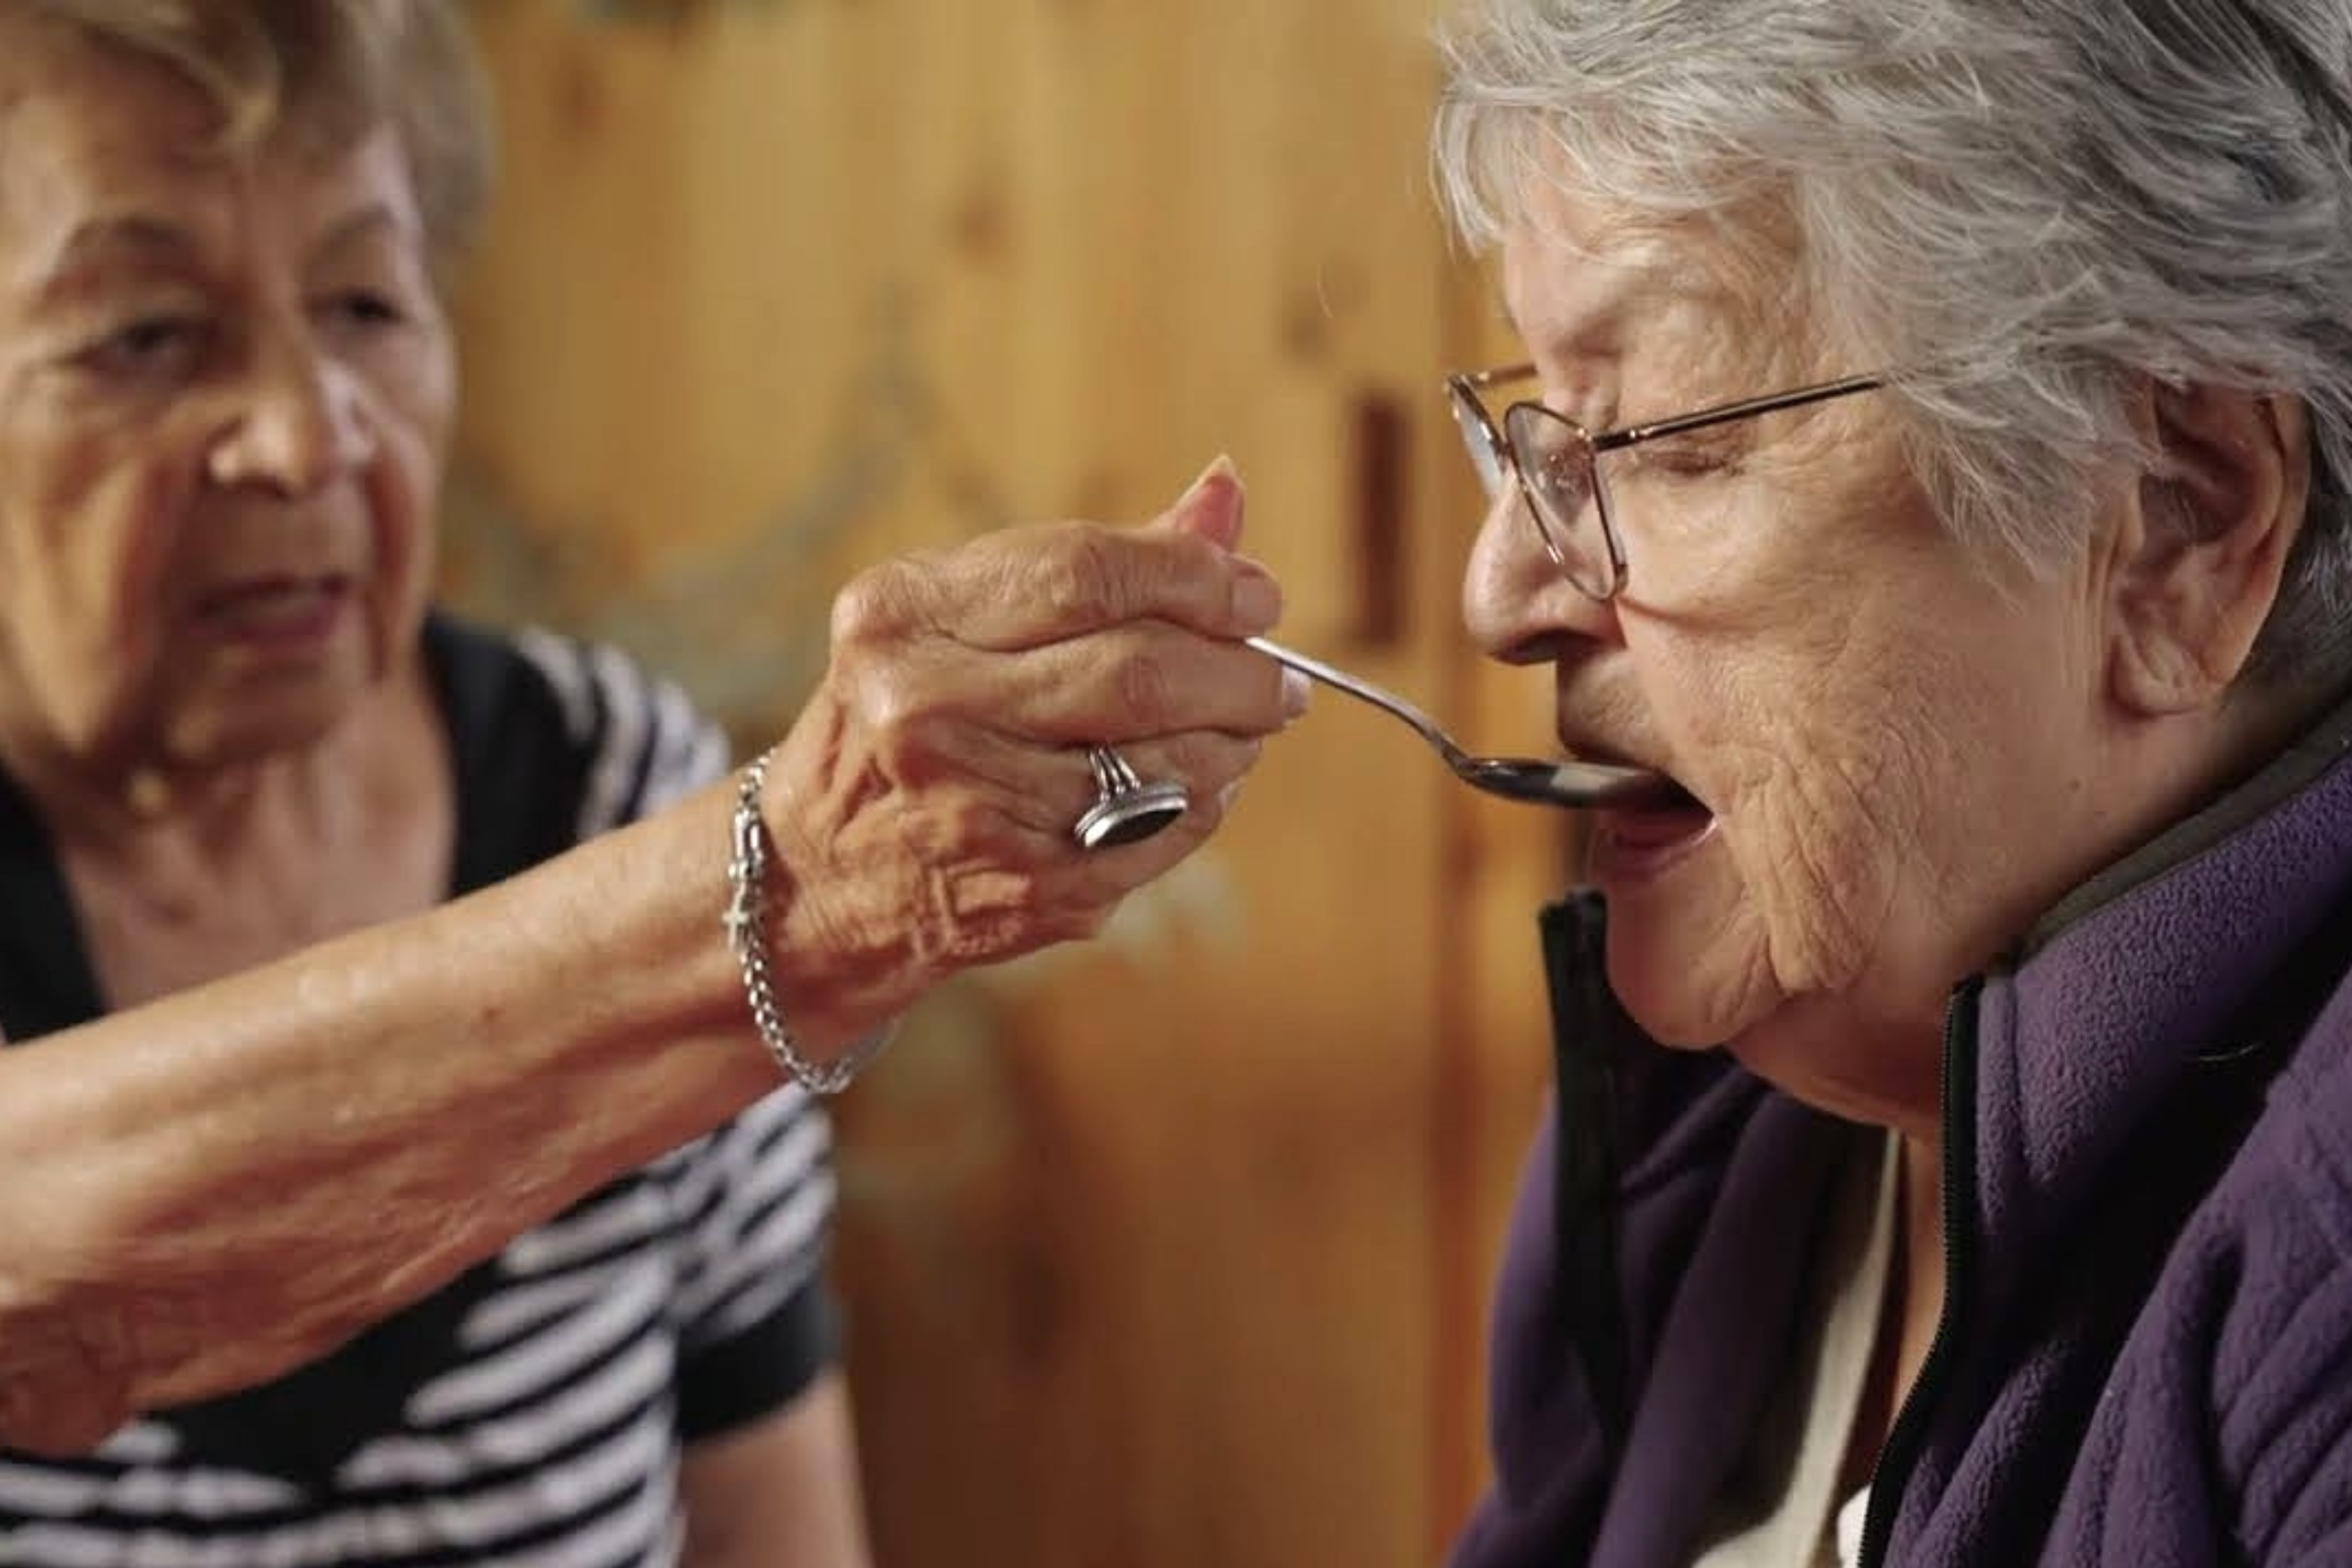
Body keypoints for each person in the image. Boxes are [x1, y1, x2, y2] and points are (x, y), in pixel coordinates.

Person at [0, 2, 1300, 1563]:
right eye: (144, 335)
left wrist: (773, 883)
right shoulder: (699, 852)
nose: (301, 434)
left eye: (364, 302)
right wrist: (795, 889)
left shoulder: (618, 778)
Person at [1426, 2, 2352, 1565]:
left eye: (1656, 441)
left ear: (2180, 524)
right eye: (1530, 433)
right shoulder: (1723, 1116)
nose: (1501, 592)